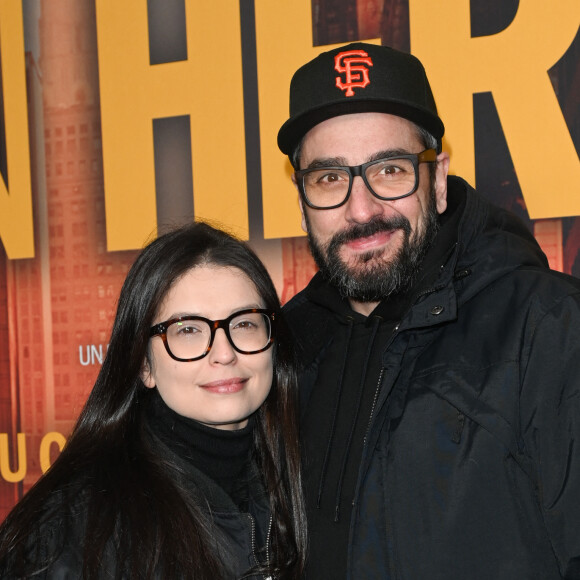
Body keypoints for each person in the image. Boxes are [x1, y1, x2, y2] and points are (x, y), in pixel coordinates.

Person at [277, 42, 580, 579]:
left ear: (437, 179)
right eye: (329, 178)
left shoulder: (549, 327)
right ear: (301, 200)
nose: (361, 208)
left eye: (390, 170)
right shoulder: (282, 353)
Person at [0, 222, 306, 579]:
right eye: (188, 330)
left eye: (244, 323)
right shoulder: (76, 531)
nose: (224, 353)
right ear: (144, 364)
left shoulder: (304, 478)